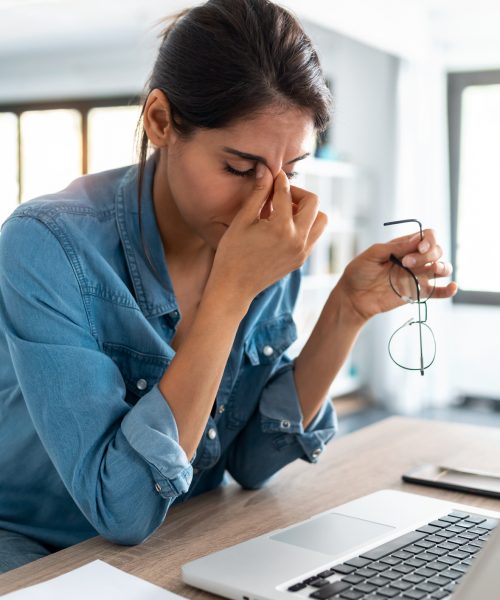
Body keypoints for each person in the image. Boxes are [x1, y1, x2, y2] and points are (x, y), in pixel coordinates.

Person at [0, 0, 457, 575]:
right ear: (161, 121)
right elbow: (122, 507)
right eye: (240, 169)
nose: (267, 203)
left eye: (291, 170)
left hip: (183, 534)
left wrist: (347, 309)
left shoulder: (268, 238)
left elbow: (251, 460)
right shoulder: (47, 244)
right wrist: (230, 293)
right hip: (39, 550)